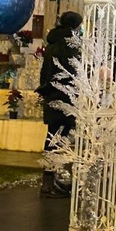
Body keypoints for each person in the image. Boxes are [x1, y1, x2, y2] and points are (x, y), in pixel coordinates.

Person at [36, 11, 82, 198]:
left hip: (52, 95)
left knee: (53, 137)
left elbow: (45, 72)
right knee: (58, 139)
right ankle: (49, 183)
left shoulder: (52, 44)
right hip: (65, 97)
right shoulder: (69, 46)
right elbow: (73, 73)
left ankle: (50, 179)